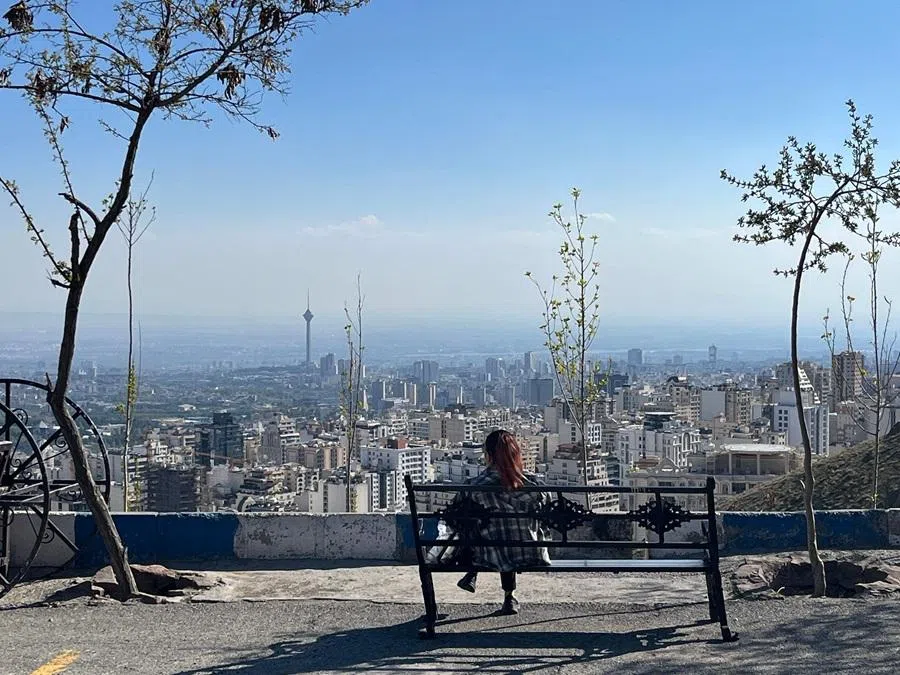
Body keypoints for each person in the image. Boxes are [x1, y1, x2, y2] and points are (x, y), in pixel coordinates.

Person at [453, 429, 550, 615]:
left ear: (488, 455)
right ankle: (509, 597)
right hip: (531, 552)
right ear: (516, 455)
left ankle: (472, 571)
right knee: (508, 534)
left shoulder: (473, 486)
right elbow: (545, 516)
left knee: (487, 532)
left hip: (488, 555)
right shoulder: (535, 486)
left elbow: (455, 516)